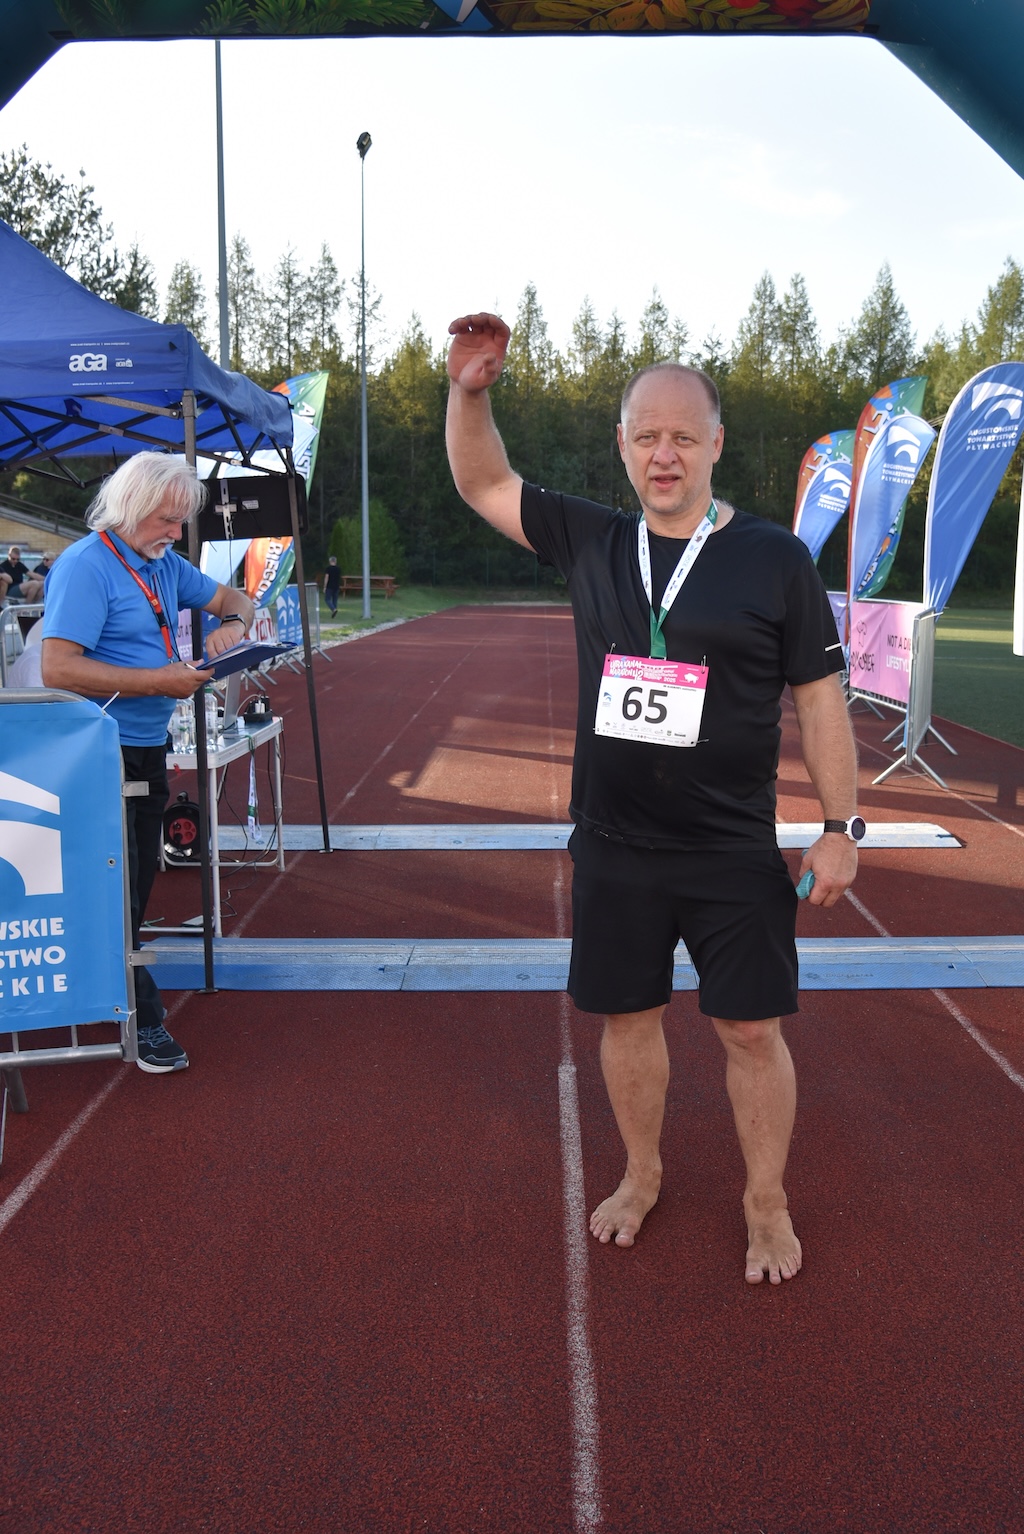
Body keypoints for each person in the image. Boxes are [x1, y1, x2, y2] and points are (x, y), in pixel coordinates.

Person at [445, 312, 861, 1286]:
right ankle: (642, 1173)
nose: (663, 454)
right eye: (646, 436)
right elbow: (483, 482)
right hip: (615, 845)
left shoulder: (774, 558)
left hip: (730, 848)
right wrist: (468, 393)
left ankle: (766, 1201)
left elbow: (819, 698)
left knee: (750, 1030)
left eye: (682, 436)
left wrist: (841, 826)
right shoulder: (592, 538)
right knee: (628, 1020)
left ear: (715, 444)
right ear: (622, 446)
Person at [41, 453, 255, 1074]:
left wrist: (232, 625)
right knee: (119, 884)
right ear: (131, 508)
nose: (177, 533)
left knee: (133, 883)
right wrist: (159, 680)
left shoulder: (162, 563)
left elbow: (236, 597)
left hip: (145, 744)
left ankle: (109, 997)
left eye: (181, 520)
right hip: (97, 750)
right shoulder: (86, 565)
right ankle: (141, 1015)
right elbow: (57, 667)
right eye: (167, 519)